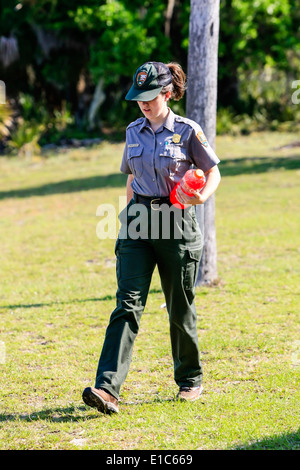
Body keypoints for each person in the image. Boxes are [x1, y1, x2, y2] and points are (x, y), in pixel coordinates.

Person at [82, 61, 221, 414]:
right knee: (127, 304)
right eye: (138, 97)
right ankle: (107, 389)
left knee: (179, 305)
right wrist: (127, 219)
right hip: (139, 222)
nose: (143, 103)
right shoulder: (133, 131)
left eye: (150, 96)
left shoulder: (188, 131)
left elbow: (212, 171)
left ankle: (189, 379)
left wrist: (202, 197)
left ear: (167, 92)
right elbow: (131, 178)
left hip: (177, 223)